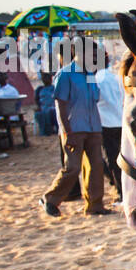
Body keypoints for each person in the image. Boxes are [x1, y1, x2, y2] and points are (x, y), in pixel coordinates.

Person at [40, 37, 109, 217]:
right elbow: (60, 104)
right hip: (74, 128)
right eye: (91, 54)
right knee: (72, 168)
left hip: (93, 127)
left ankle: (94, 205)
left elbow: (96, 99)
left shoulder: (91, 75)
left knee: (96, 168)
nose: (94, 58)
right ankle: (50, 199)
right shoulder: (65, 74)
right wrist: (67, 130)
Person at [94, 61, 125, 202]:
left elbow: (94, 99)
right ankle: (120, 187)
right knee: (122, 158)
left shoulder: (95, 79)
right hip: (120, 121)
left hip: (106, 123)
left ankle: (121, 192)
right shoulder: (115, 77)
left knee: (112, 160)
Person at [33, 70, 58, 136]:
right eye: (44, 78)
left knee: (53, 111)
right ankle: (46, 130)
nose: (46, 80)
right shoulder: (39, 89)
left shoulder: (54, 88)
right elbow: (37, 100)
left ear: (51, 79)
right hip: (43, 107)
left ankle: (53, 129)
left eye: (48, 78)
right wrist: (38, 107)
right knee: (40, 113)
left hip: (53, 107)